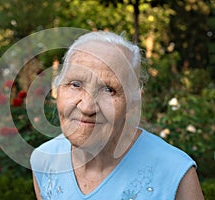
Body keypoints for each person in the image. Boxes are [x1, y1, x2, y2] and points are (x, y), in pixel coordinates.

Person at [30, 31, 204, 200]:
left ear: (133, 102)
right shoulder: (44, 160)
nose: (87, 107)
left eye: (109, 90)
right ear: (58, 89)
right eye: (75, 84)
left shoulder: (175, 172)